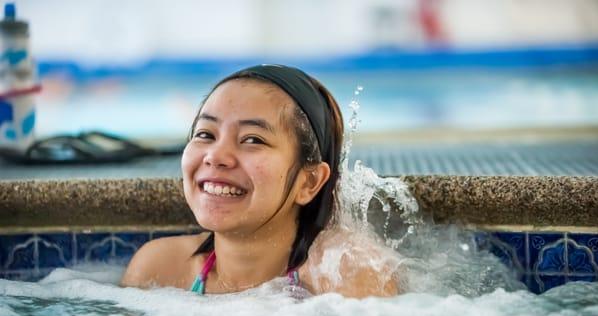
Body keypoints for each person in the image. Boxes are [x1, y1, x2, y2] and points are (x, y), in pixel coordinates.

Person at [120, 64, 399, 298]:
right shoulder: (159, 270)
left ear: (309, 182)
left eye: (253, 139)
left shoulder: (344, 275)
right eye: (205, 134)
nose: (216, 156)